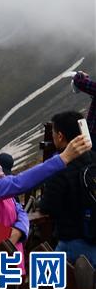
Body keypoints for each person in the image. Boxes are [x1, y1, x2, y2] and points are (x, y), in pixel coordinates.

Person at [0, 126, 91, 256]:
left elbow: (17, 208)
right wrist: (63, 158)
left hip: (10, 253)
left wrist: (19, 230)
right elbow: (18, 183)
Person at [40, 111, 96, 263]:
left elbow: (49, 206)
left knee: (49, 281)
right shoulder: (93, 157)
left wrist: (40, 202)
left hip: (73, 243)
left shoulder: (58, 166)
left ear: (60, 136)